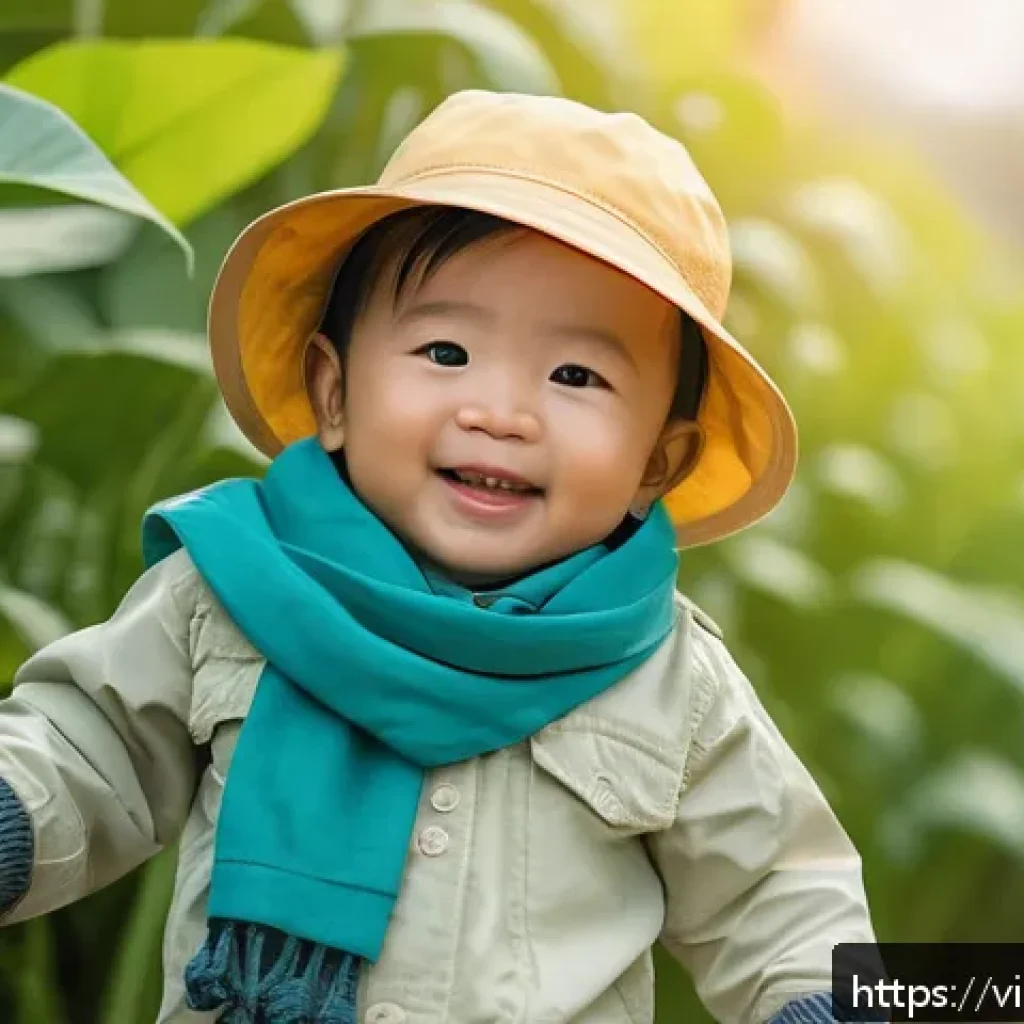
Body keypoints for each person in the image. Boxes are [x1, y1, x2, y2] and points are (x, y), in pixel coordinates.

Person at [0, 90, 876, 1024]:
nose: (500, 412)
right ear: (333, 393)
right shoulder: (233, 593)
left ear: (655, 463)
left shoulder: (671, 683)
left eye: (576, 376)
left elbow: (779, 891)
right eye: (447, 350)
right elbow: (87, 744)